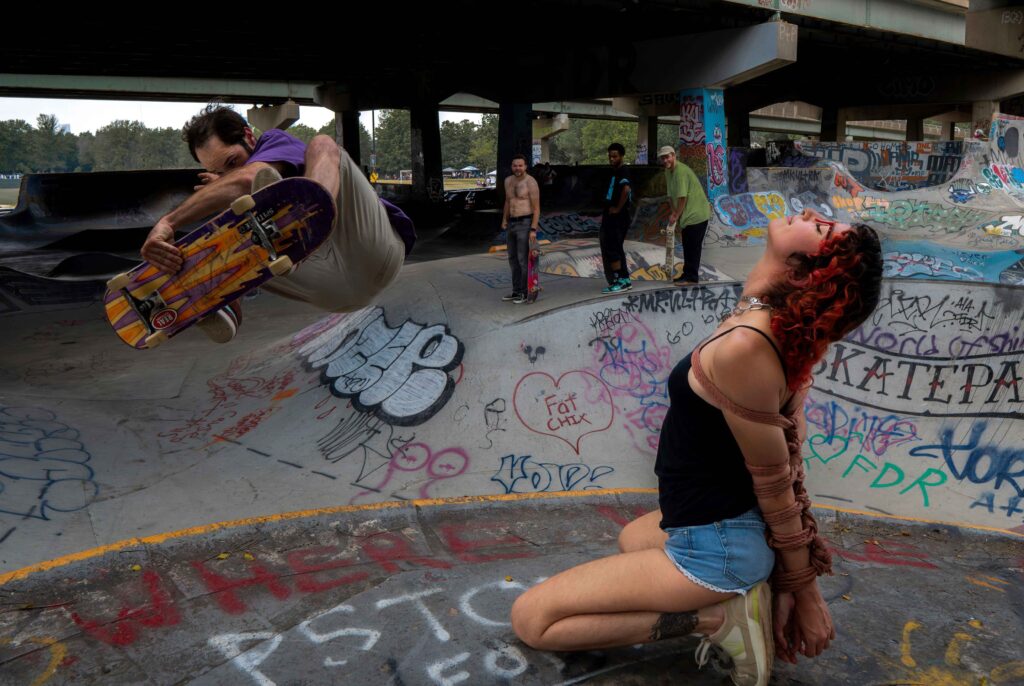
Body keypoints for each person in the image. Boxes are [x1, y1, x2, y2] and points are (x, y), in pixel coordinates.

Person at [510, 209, 883, 686]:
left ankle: (717, 619)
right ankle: (743, 590)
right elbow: (788, 460)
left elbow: (778, 482)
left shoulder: (747, 347)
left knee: (534, 620)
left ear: (798, 270)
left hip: (723, 546)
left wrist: (802, 586)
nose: (813, 214)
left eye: (823, 229)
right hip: (720, 530)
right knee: (633, 539)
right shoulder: (778, 327)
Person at [140, 104, 415, 342]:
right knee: (227, 230)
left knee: (321, 144)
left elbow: (249, 178)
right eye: (218, 173)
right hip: (329, 288)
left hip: (373, 251)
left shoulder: (273, 141)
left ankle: (312, 218)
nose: (228, 175)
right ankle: (216, 301)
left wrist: (168, 221)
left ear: (249, 136)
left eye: (232, 162)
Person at [658, 145, 710, 285]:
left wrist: (675, 215)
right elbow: (670, 195)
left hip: (697, 214)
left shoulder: (681, 171)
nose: (665, 160)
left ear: (674, 156)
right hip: (687, 215)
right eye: (662, 158)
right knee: (688, 245)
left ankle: (691, 277)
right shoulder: (668, 172)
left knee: (692, 246)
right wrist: (674, 214)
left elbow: (682, 197)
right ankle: (687, 275)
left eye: (667, 157)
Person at [500, 154, 540, 304]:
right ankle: (516, 291)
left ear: (525, 166)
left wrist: (533, 229)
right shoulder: (508, 181)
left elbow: (537, 209)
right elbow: (508, 201)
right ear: (512, 166)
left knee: (523, 260)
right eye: (515, 165)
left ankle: (524, 292)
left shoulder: (531, 182)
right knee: (512, 259)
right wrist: (504, 219)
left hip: (525, 223)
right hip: (511, 223)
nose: (517, 168)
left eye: (520, 165)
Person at [599, 142, 633, 295]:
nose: (611, 159)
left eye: (615, 156)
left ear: (621, 156)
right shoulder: (615, 171)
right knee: (615, 247)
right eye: (610, 156)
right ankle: (623, 279)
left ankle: (620, 279)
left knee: (613, 247)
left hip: (618, 216)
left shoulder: (623, 170)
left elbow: (626, 189)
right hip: (611, 215)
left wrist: (618, 208)